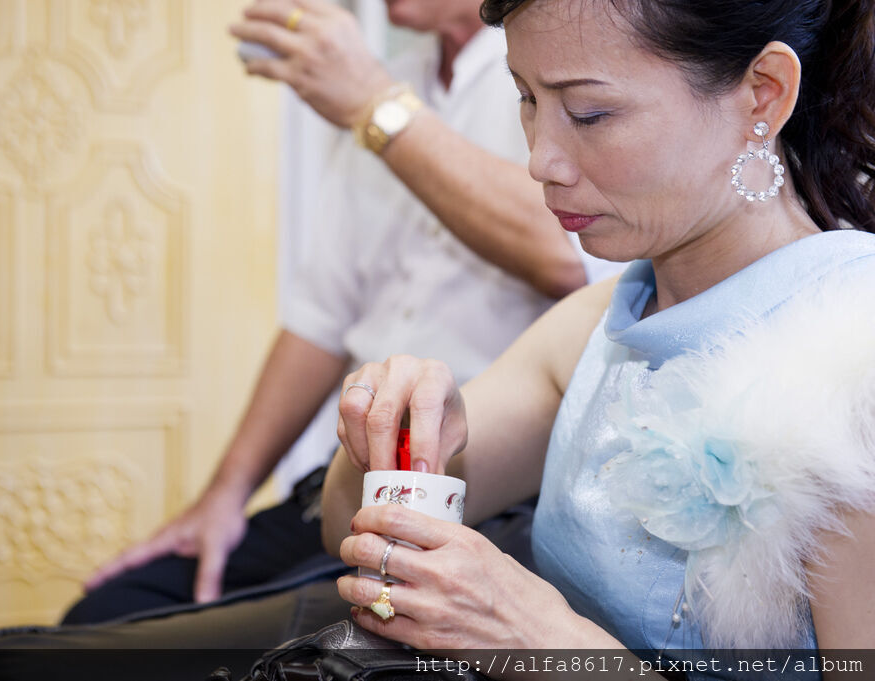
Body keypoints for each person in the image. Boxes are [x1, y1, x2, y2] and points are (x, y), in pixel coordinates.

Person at [324, 0, 875, 671]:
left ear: (763, 93)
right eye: (527, 98)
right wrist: (392, 428)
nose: (541, 160)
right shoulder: (605, 321)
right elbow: (344, 521)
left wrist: (545, 642)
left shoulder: (852, 362)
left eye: (589, 113)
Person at [64, 0, 614, 624]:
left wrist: (377, 108)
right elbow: (322, 319)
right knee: (111, 610)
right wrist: (225, 494)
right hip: (349, 479)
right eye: (528, 101)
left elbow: (568, 259)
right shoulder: (397, 80)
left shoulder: (539, 76)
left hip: (484, 489)